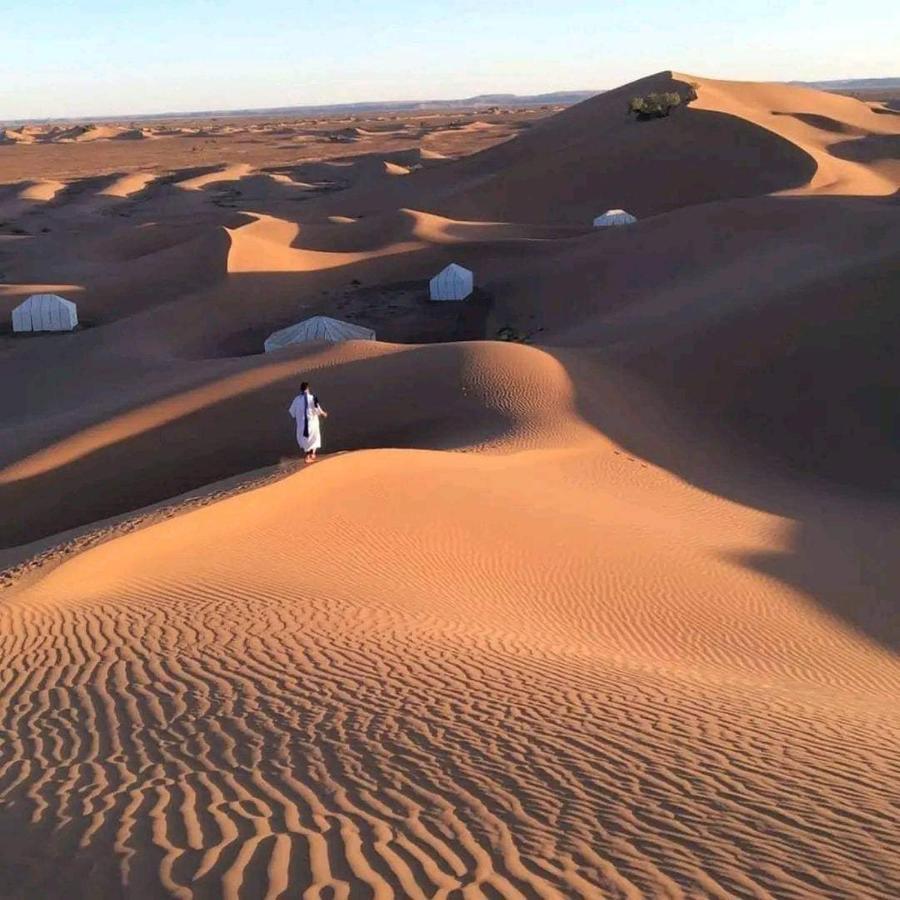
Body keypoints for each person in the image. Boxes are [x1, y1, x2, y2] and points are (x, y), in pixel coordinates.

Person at [289, 382, 328, 463]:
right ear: (308, 389)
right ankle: (311, 455)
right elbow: (317, 409)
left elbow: (292, 412)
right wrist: (323, 413)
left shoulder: (296, 399)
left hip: (301, 425)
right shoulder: (313, 398)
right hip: (312, 423)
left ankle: (308, 455)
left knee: (305, 441)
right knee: (315, 438)